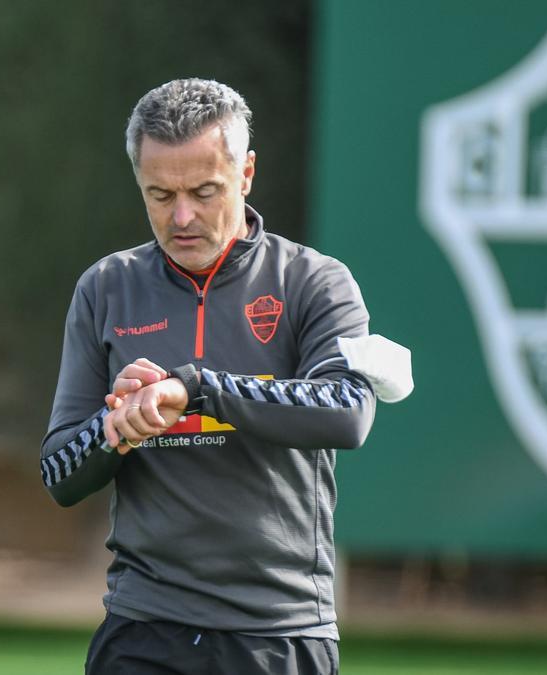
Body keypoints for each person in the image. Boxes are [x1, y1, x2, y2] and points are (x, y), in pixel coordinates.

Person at [41, 78, 375, 675]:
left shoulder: (314, 282)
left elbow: (348, 411)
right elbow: (59, 473)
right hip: (143, 629)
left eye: (203, 191)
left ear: (246, 174)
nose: (182, 216)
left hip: (280, 631)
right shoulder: (106, 287)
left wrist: (195, 388)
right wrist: (116, 427)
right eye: (160, 195)